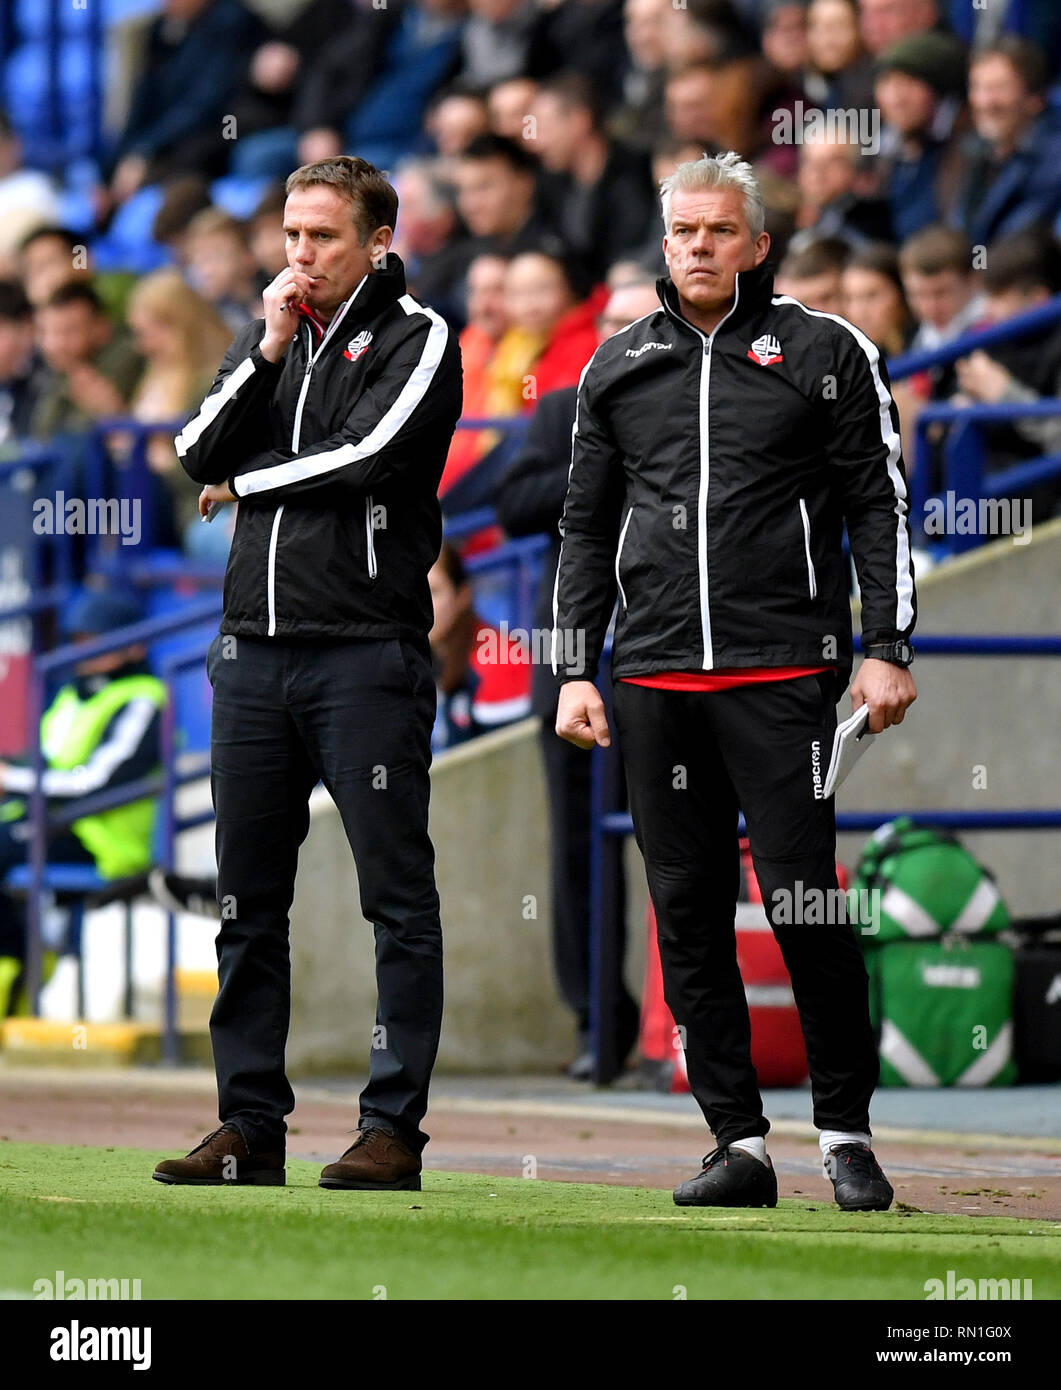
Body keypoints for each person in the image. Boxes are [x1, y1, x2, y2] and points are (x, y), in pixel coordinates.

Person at [552, 151, 917, 1212]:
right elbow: (581, 527)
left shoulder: (825, 351)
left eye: (720, 231)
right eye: (683, 233)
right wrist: (576, 667)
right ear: (662, 247)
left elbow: (877, 503)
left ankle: (844, 1133)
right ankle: (737, 1143)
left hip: (780, 677)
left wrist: (884, 643)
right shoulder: (616, 366)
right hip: (654, 677)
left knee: (805, 904)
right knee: (685, 915)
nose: (700, 247)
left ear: (757, 244)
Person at [155, 156, 462, 1191]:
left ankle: (391, 1128)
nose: (301, 255)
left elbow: (367, 454)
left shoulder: (420, 337)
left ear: (378, 240)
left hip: (363, 654)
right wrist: (267, 346)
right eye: (291, 235)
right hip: (249, 654)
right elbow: (195, 449)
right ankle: (248, 1121)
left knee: (396, 898)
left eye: (323, 237)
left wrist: (249, 482)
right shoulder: (272, 333)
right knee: (247, 903)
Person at [496, 276, 660, 1078]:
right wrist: (602, 476)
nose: (623, 335)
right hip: (573, 659)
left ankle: (682, 1029)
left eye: (640, 322)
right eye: (612, 322)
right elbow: (512, 500)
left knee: (681, 845)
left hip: (673, 653)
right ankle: (597, 1023)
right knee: (578, 853)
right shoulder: (563, 410)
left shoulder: (703, 404)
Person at [0, 590, 164, 1017]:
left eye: (97, 640)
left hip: (103, 840)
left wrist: (10, 781)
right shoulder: (71, 695)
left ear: (134, 645)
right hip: (52, 822)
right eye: (79, 639)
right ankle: (25, 963)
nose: (84, 651)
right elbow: (46, 762)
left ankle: (15, 969)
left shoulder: (144, 697)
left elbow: (96, 781)